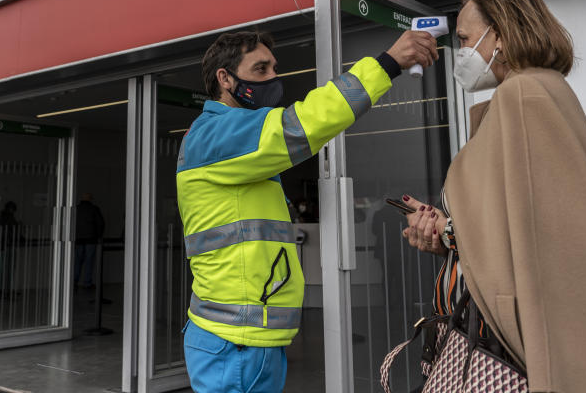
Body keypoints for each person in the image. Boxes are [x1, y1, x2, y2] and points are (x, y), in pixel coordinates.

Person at [399, 0, 586, 392]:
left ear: (502, 38)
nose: (459, 51)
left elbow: (543, 235)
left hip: (514, 340)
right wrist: (450, 234)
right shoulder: (533, 93)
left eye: (463, 38)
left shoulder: (523, 97)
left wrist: (450, 229)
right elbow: (523, 225)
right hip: (522, 330)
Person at [177, 28, 437, 393]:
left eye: (274, 68)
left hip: (242, 338)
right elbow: (303, 125)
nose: (273, 79)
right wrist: (388, 64)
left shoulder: (226, 139)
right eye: (261, 69)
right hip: (235, 341)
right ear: (225, 78)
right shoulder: (217, 135)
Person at [74, 192, 104, 289]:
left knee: (78, 261)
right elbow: (100, 223)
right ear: (90, 199)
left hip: (78, 239)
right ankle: (87, 283)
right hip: (91, 239)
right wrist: (99, 236)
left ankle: (74, 281)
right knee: (89, 261)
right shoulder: (94, 209)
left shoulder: (76, 209)